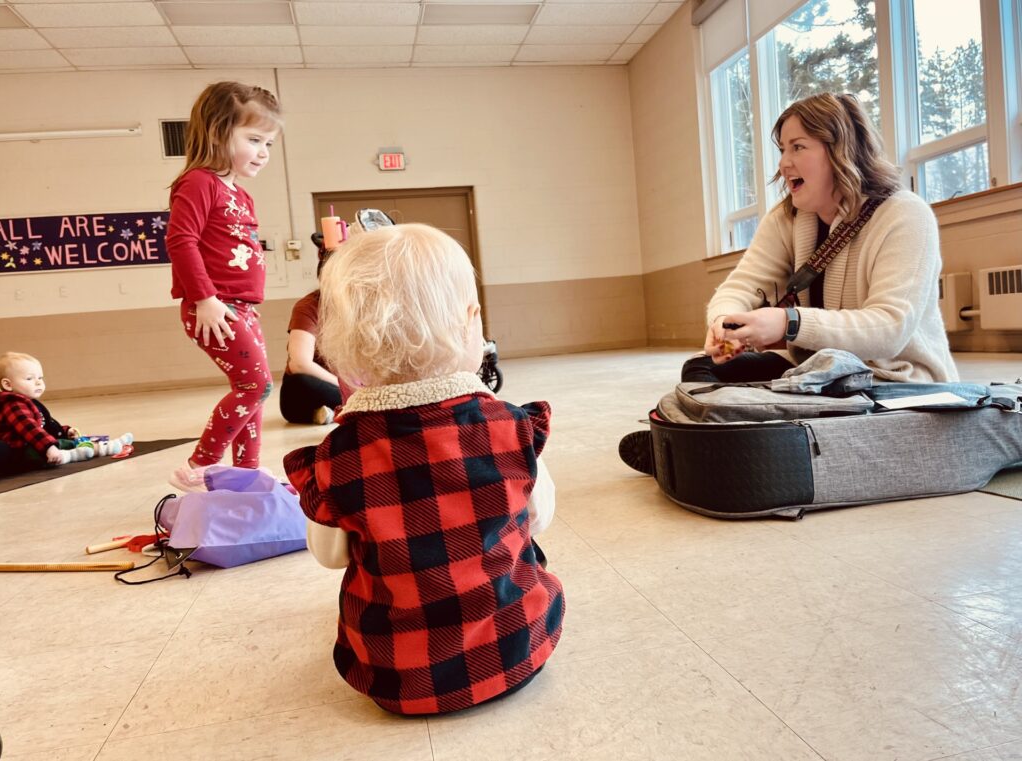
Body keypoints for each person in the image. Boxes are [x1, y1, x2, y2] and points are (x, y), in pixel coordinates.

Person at [283, 223, 564, 716]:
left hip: (397, 679)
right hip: (519, 647)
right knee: (528, 553)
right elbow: (538, 517)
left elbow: (329, 556)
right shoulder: (509, 428)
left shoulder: (340, 454)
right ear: (471, 319)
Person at [620, 92, 956, 473]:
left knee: (789, 410)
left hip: (892, 385)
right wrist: (724, 322)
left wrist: (790, 324)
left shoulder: (906, 215)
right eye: (782, 149)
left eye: (798, 147)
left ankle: (694, 449)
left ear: (840, 150)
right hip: (817, 376)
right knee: (703, 371)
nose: (783, 164)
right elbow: (741, 284)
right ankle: (707, 449)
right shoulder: (788, 218)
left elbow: (890, 328)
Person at [165, 81, 281, 491]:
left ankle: (246, 471)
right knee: (256, 385)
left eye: (268, 142)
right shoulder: (199, 182)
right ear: (218, 132)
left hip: (243, 306)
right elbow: (180, 240)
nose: (264, 152)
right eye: (254, 139)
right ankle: (201, 465)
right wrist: (206, 299)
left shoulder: (241, 195)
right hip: (216, 306)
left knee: (255, 390)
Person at [0, 352, 133, 476]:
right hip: (23, 451)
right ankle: (103, 449)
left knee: (67, 440)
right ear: (8, 385)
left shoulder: (30, 402)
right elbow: (31, 429)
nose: (38, 382)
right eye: (29, 379)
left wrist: (65, 430)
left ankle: (99, 446)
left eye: (40, 378)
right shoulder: (14, 404)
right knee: (63, 444)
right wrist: (49, 447)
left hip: (36, 444)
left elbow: (47, 424)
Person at [279, 243, 345, 425]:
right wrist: (347, 388)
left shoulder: (365, 304)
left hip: (354, 382)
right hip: (320, 385)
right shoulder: (308, 306)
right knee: (299, 384)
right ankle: (346, 407)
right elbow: (300, 364)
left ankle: (333, 412)